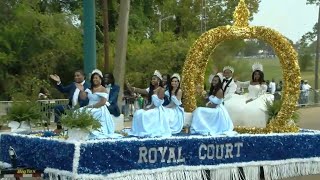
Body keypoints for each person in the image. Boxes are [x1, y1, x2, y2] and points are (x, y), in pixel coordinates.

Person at [224, 63, 274, 128]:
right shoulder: (250, 82)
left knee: (251, 108)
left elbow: (260, 94)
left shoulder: (263, 84)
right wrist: (236, 81)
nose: (256, 76)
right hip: (247, 96)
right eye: (255, 74)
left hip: (257, 99)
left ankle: (254, 126)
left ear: (261, 75)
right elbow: (242, 84)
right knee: (235, 105)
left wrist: (252, 99)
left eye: (258, 74)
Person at [77, 69, 120, 139]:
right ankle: (80, 131)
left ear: (100, 79)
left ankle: (92, 131)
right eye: (93, 78)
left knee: (88, 112)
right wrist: (81, 90)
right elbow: (83, 97)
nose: (95, 79)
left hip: (99, 108)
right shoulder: (89, 89)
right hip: (89, 106)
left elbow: (102, 102)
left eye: (96, 78)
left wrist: (91, 106)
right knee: (78, 111)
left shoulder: (103, 89)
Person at [128, 70, 171, 137]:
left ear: (158, 80)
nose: (152, 80)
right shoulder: (151, 89)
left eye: (154, 79)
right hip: (150, 107)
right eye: (152, 79)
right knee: (138, 113)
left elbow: (157, 104)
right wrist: (133, 88)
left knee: (146, 114)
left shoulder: (161, 89)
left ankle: (147, 131)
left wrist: (148, 108)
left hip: (157, 109)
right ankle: (138, 131)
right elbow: (142, 90)